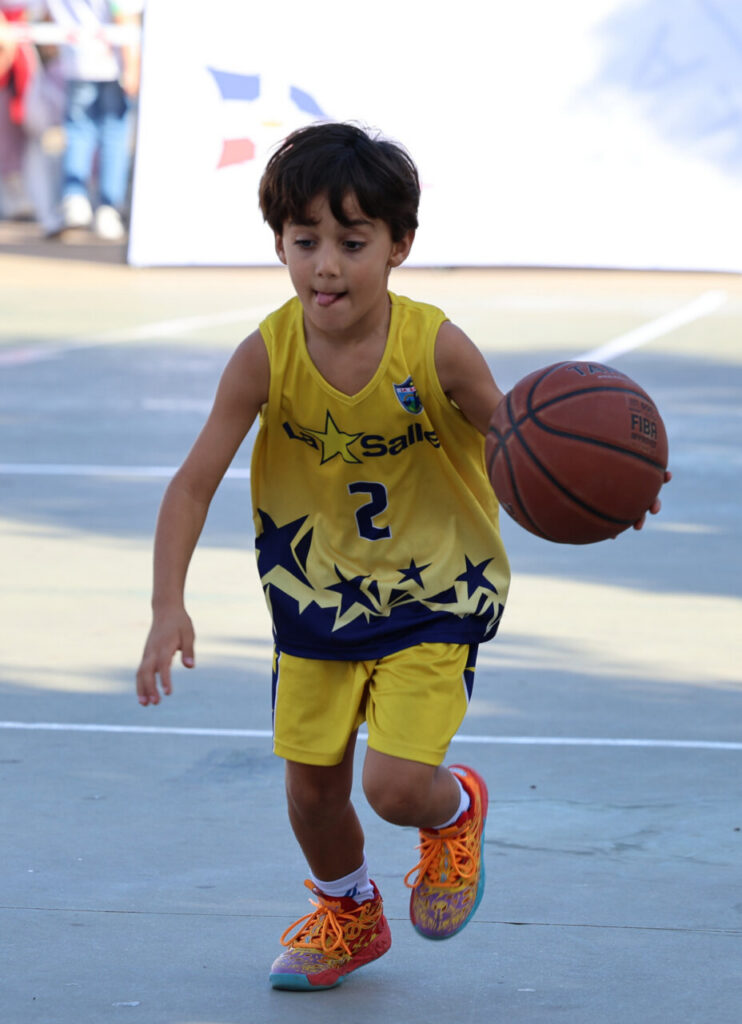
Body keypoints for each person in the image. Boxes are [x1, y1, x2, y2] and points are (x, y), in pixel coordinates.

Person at [135, 122, 667, 991]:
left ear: (399, 247)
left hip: (435, 590)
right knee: (312, 793)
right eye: (305, 243)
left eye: (352, 243)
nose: (327, 266)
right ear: (279, 244)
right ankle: (349, 911)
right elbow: (193, 482)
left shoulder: (436, 348)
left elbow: (521, 447)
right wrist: (168, 604)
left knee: (391, 785)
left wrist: (615, 488)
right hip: (316, 598)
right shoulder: (263, 359)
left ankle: (454, 810)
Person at [45, 0, 141, 239]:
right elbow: (123, 13)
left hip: (76, 60)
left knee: (78, 132)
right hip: (112, 62)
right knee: (114, 135)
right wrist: (132, 65)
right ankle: (108, 208)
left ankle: (75, 201)